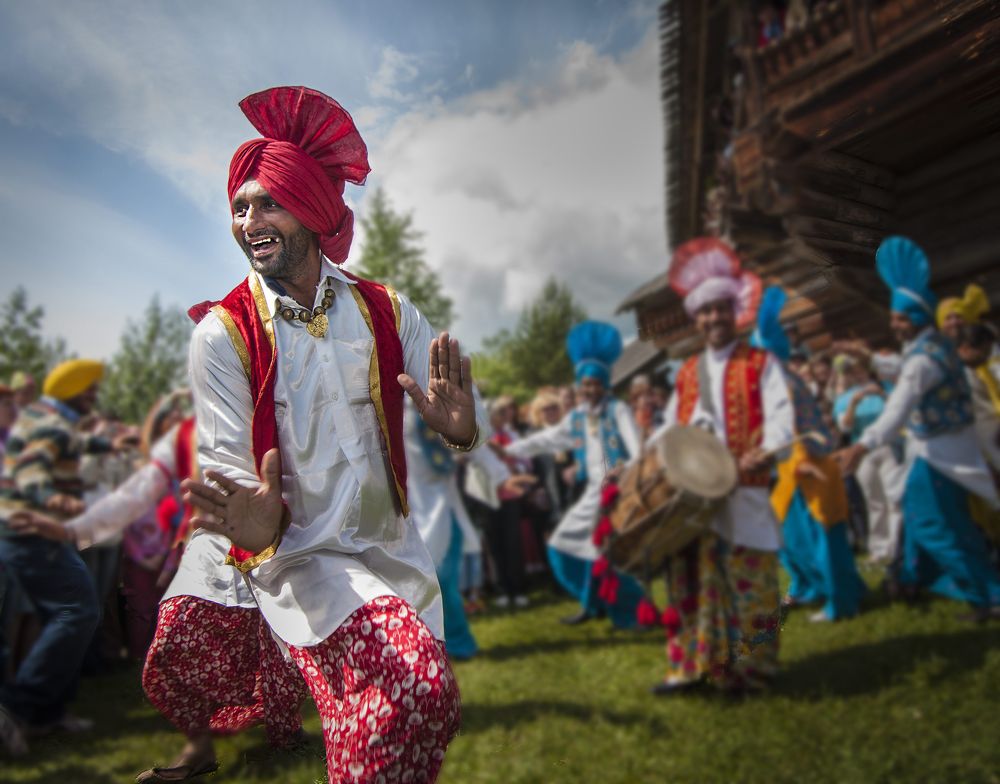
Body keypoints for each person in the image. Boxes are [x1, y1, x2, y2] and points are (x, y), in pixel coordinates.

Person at [178, 85, 485, 784]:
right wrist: (252, 522)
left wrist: (461, 434)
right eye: (239, 206)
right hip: (303, 562)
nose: (248, 219)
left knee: (424, 713)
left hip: (394, 557)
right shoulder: (222, 334)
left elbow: (459, 415)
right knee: (405, 692)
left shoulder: (385, 308)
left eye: (267, 203)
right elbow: (230, 471)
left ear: (314, 211)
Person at [11, 405, 309, 780]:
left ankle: (286, 731)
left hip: (280, 544)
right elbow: (140, 490)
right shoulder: (188, 431)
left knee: (280, 643)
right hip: (211, 548)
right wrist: (74, 530)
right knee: (173, 635)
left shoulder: (284, 413)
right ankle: (199, 748)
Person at [649, 237, 792, 695]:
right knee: (694, 590)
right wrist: (646, 463)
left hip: (746, 493)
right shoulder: (687, 372)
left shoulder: (761, 363)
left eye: (720, 309)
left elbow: (783, 417)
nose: (713, 319)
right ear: (697, 317)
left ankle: (756, 672)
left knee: (755, 589)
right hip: (697, 500)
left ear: (735, 311)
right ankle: (696, 670)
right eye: (705, 312)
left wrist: (768, 448)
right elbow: (669, 427)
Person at [837, 236, 1000, 619]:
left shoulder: (923, 361)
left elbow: (900, 403)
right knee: (942, 524)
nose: (894, 325)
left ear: (917, 319)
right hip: (942, 452)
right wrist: (870, 359)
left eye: (899, 319)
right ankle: (920, 580)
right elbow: (902, 368)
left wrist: (863, 444)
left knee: (933, 527)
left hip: (939, 456)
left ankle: (989, 594)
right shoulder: (936, 348)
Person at [499, 321, 645, 628]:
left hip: (619, 493)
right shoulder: (577, 417)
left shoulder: (618, 410)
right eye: (585, 384)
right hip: (592, 494)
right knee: (562, 548)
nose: (590, 389)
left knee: (613, 555)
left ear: (604, 385)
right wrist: (510, 450)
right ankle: (592, 602)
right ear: (580, 386)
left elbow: (638, 449)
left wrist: (622, 469)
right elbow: (547, 439)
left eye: (596, 384)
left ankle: (630, 612)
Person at [0, 360, 112, 755]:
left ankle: (48, 714)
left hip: (34, 534)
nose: (94, 398)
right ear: (73, 391)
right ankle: (16, 709)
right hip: (32, 532)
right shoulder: (48, 423)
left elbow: (73, 443)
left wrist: (110, 443)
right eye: (90, 391)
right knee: (78, 611)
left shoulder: (47, 418)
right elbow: (31, 471)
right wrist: (51, 498)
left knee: (61, 614)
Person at [752, 287, 865, 622]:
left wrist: (802, 463)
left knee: (823, 542)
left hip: (810, 470)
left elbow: (794, 428)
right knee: (789, 539)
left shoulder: (782, 385)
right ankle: (812, 586)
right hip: (793, 473)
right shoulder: (778, 381)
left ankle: (841, 602)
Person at [405, 400, 533, 659]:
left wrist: (500, 476)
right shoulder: (384, 401)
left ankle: (458, 643)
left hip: (445, 506)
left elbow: (474, 436)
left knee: (442, 580)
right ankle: (425, 647)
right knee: (416, 585)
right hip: (406, 510)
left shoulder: (439, 393)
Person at [833, 354, 905, 565]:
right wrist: (853, 404)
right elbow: (844, 428)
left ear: (867, 369)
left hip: (888, 446)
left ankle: (896, 546)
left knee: (893, 498)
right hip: (862, 451)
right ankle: (879, 548)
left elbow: (900, 412)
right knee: (873, 500)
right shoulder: (844, 398)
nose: (856, 374)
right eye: (852, 371)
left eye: (859, 369)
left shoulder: (886, 387)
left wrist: (882, 395)